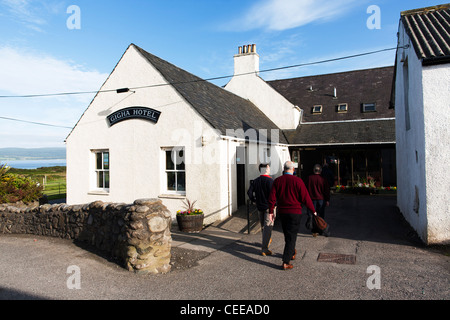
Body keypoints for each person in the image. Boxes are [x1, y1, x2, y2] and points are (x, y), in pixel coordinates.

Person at [268, 161, 317, 270]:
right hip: (295, 212)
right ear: (293, 169)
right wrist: (313, 210)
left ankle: (291, 252)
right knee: (292, 236)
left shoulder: (277, 181)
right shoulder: (298, 181)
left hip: (283, 212)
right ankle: (286, 261)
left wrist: (271, 211)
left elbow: (272, 198)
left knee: (287, 234)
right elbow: (305, 197)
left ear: (284, 169)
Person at [247, 163, 274, 256]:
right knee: (268, 226)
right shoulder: (270, 181)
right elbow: (274, 195)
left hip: (259, 206)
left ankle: (266, 240)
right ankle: (264, 248)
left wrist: (254, 200)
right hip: (268, 207)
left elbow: (249, 192)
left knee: (263, 226)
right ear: (266, 169)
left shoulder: (256, 181)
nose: (270, 169)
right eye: (269, 168)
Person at [307, 164, 331, 237]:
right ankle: (321, 228)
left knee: (313, 215)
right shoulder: (323, 179)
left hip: (311, 199)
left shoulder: (309, 178)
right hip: (321, 199)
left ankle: (314, 230)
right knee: (320, 215)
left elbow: (306, 189)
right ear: (320, 171)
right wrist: (327, 200)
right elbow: (326, 190)